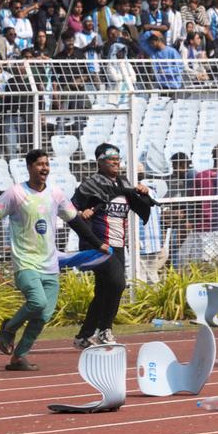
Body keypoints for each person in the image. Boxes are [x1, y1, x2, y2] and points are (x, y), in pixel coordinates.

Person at [0, 150, 106, 371]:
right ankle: (9, 328)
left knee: (43, 315)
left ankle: (19, 357)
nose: (44, 168)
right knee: (37, 302)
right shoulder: (15, 193)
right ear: (29, 167)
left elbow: (75, 221)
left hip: (50, 264)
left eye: (46, 164)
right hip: (25, 263)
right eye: (39, 164)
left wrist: (97, 244)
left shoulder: (56, 193)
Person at [70, 143, 156, 349]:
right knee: (118, 284)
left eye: (118, 158)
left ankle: (84, 336)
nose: (116, 162)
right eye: (111, 159)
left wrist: (143, 192)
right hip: (99, 246)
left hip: (118, 246)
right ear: (100, 162)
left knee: (104, 292)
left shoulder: (124, 183)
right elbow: (70, 209)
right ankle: (105, 330)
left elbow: (138, 202)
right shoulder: (90, 185)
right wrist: (82, 213)